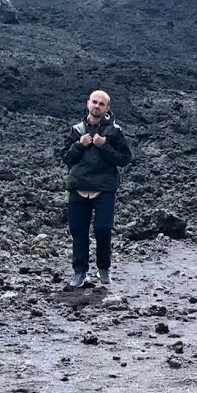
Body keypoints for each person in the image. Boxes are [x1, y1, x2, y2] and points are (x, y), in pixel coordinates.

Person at [60, 89, 133, 288]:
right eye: (94, 102)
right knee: (78, 230)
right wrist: (79, 145)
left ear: (107, 108)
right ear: (88, 104)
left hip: (104, 188)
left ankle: (104, 269)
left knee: (103, 229)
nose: (97, 106)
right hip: (78, 186)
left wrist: (104, 146)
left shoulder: (115, 132)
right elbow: (65, 157)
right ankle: (80, 272)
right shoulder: (77, 130)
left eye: (101, 104)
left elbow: (125, 159)